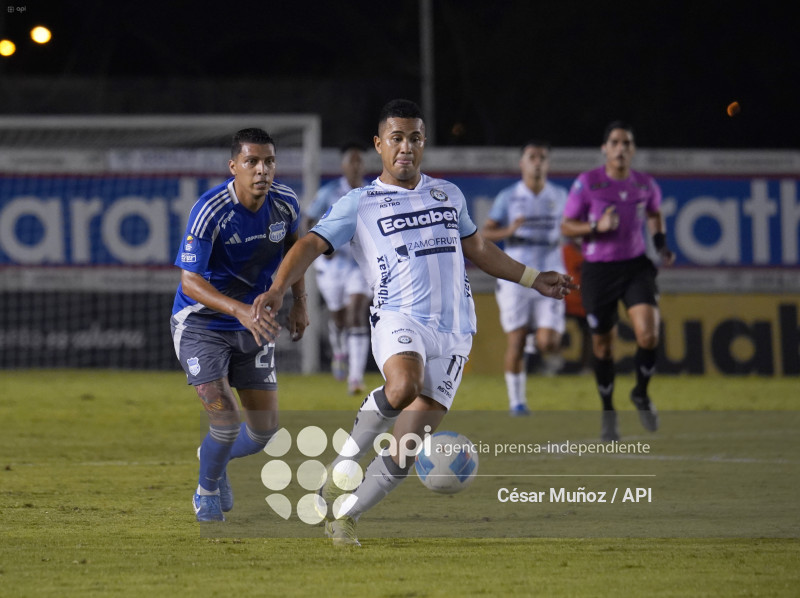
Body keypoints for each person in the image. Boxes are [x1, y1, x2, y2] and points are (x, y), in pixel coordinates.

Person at [252, 99, 576, 546]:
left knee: (405, 448)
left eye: (415, 138)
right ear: (379, 145)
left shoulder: (447, 194)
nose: (406, 147)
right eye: (397, 138)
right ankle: (345, 460)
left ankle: (345, 517)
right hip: (399, 317)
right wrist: (278, 288)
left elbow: (479, 250)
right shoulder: (359, 203)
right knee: (403, 386)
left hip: (456, 332)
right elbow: (308, 244)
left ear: (423, 143)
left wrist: (534, 278)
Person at [170, 127, 307, 522]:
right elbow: (190, 282)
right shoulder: (211, 209)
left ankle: (212, 455)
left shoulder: (285, 203)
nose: (262, 169)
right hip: (202, 325)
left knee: (264, 432)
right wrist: (241, 311)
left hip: (254, 323)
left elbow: (295, 253)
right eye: (252, 162)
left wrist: (300, 301)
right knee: (226, 420)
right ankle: (206, 490)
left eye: (269, 161)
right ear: (234, 167)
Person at [561, 121, 674, 442]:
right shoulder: (588, 183)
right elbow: (567, 226)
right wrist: (596, 225)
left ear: (633, 149)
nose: (621, 148)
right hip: (599, 270)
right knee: (602, 346)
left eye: (626, 143)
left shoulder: (644, 184)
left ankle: (640, 392)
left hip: (636, 267)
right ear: (605, 149)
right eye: (615, 142)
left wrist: (661, 243)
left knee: (649, 334)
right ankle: (608, 412)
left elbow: (653, 213)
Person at [481, 141, 568, 415]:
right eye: (532, 157)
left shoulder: (560, 195)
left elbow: (571, 227)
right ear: (522, 163)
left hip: (552, 271)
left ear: (548, 163)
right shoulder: (509, 196)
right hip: (517, 275)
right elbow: (485, 234)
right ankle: (517, 403)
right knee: (516, 341)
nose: (538, 162)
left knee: (549, 343)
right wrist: (509, 230)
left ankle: (537, 340)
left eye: (542, 157)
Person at [304, 141, 372, 394]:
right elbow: (309, 219)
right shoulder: (330, 192)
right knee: (339, 317)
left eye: (359, 160)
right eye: (351, 160)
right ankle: (340, 351)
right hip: (332, 264)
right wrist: (322, 245)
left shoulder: (373, 192)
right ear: (343, 165)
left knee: (357, 312)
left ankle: (355, 378)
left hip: (359, 264)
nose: (355, 165)